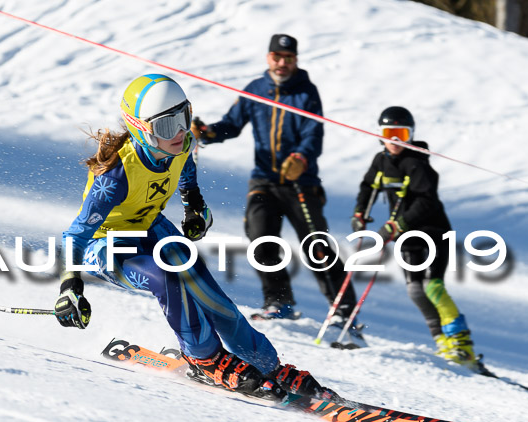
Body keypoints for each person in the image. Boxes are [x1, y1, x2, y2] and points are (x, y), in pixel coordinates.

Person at [53, 73, 337, 400]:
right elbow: (75, 235)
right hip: (105, 244)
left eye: (183, 117)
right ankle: (204, 358)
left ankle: (267, 364)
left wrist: (194, 208)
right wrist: (70, 286)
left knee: (208, 293)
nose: (178, 132)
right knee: (166, 277)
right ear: (140, 128)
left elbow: (187, 175)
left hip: (149, 227)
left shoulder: (184, 143)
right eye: (165, 126)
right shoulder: (116, 176)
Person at [192, 34, 362, 341]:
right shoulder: (256, 90)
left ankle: (344, 311)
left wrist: (300, 158)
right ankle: (278, 301)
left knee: (316, 246)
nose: (282, 63)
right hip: (265, 179)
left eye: (289, 58)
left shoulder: (306, 93)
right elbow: (233, 122)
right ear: (268, 57)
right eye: (277, 57)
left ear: (295, 60)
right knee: (260, 235)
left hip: (300, 181)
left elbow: (314, 135)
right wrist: (208, 132)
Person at [351, 106, 478, 367]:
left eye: (402, 134)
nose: (395, 141)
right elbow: (368, 186)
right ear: (380, 134)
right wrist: (360, 212)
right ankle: (443, 343)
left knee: (433, 287)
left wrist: (398, 224)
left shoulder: (417, 163)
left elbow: (427, 201)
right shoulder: (381, 160)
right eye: (390, 133)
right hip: (407, 237)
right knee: (415, 291)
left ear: (410, 136)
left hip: (433, 232)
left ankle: (462, 346)